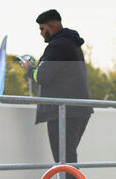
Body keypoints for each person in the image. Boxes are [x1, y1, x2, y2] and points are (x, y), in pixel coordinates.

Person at [19, 10, 92, 165]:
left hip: (63, 112)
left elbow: (42, 76)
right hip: (76, 110)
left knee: (64, 162)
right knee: (67, 160)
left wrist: (29, 69)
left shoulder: (58, 45)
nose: (40, 33)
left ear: (51, 26)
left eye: (42, 29)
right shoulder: (71, 43)